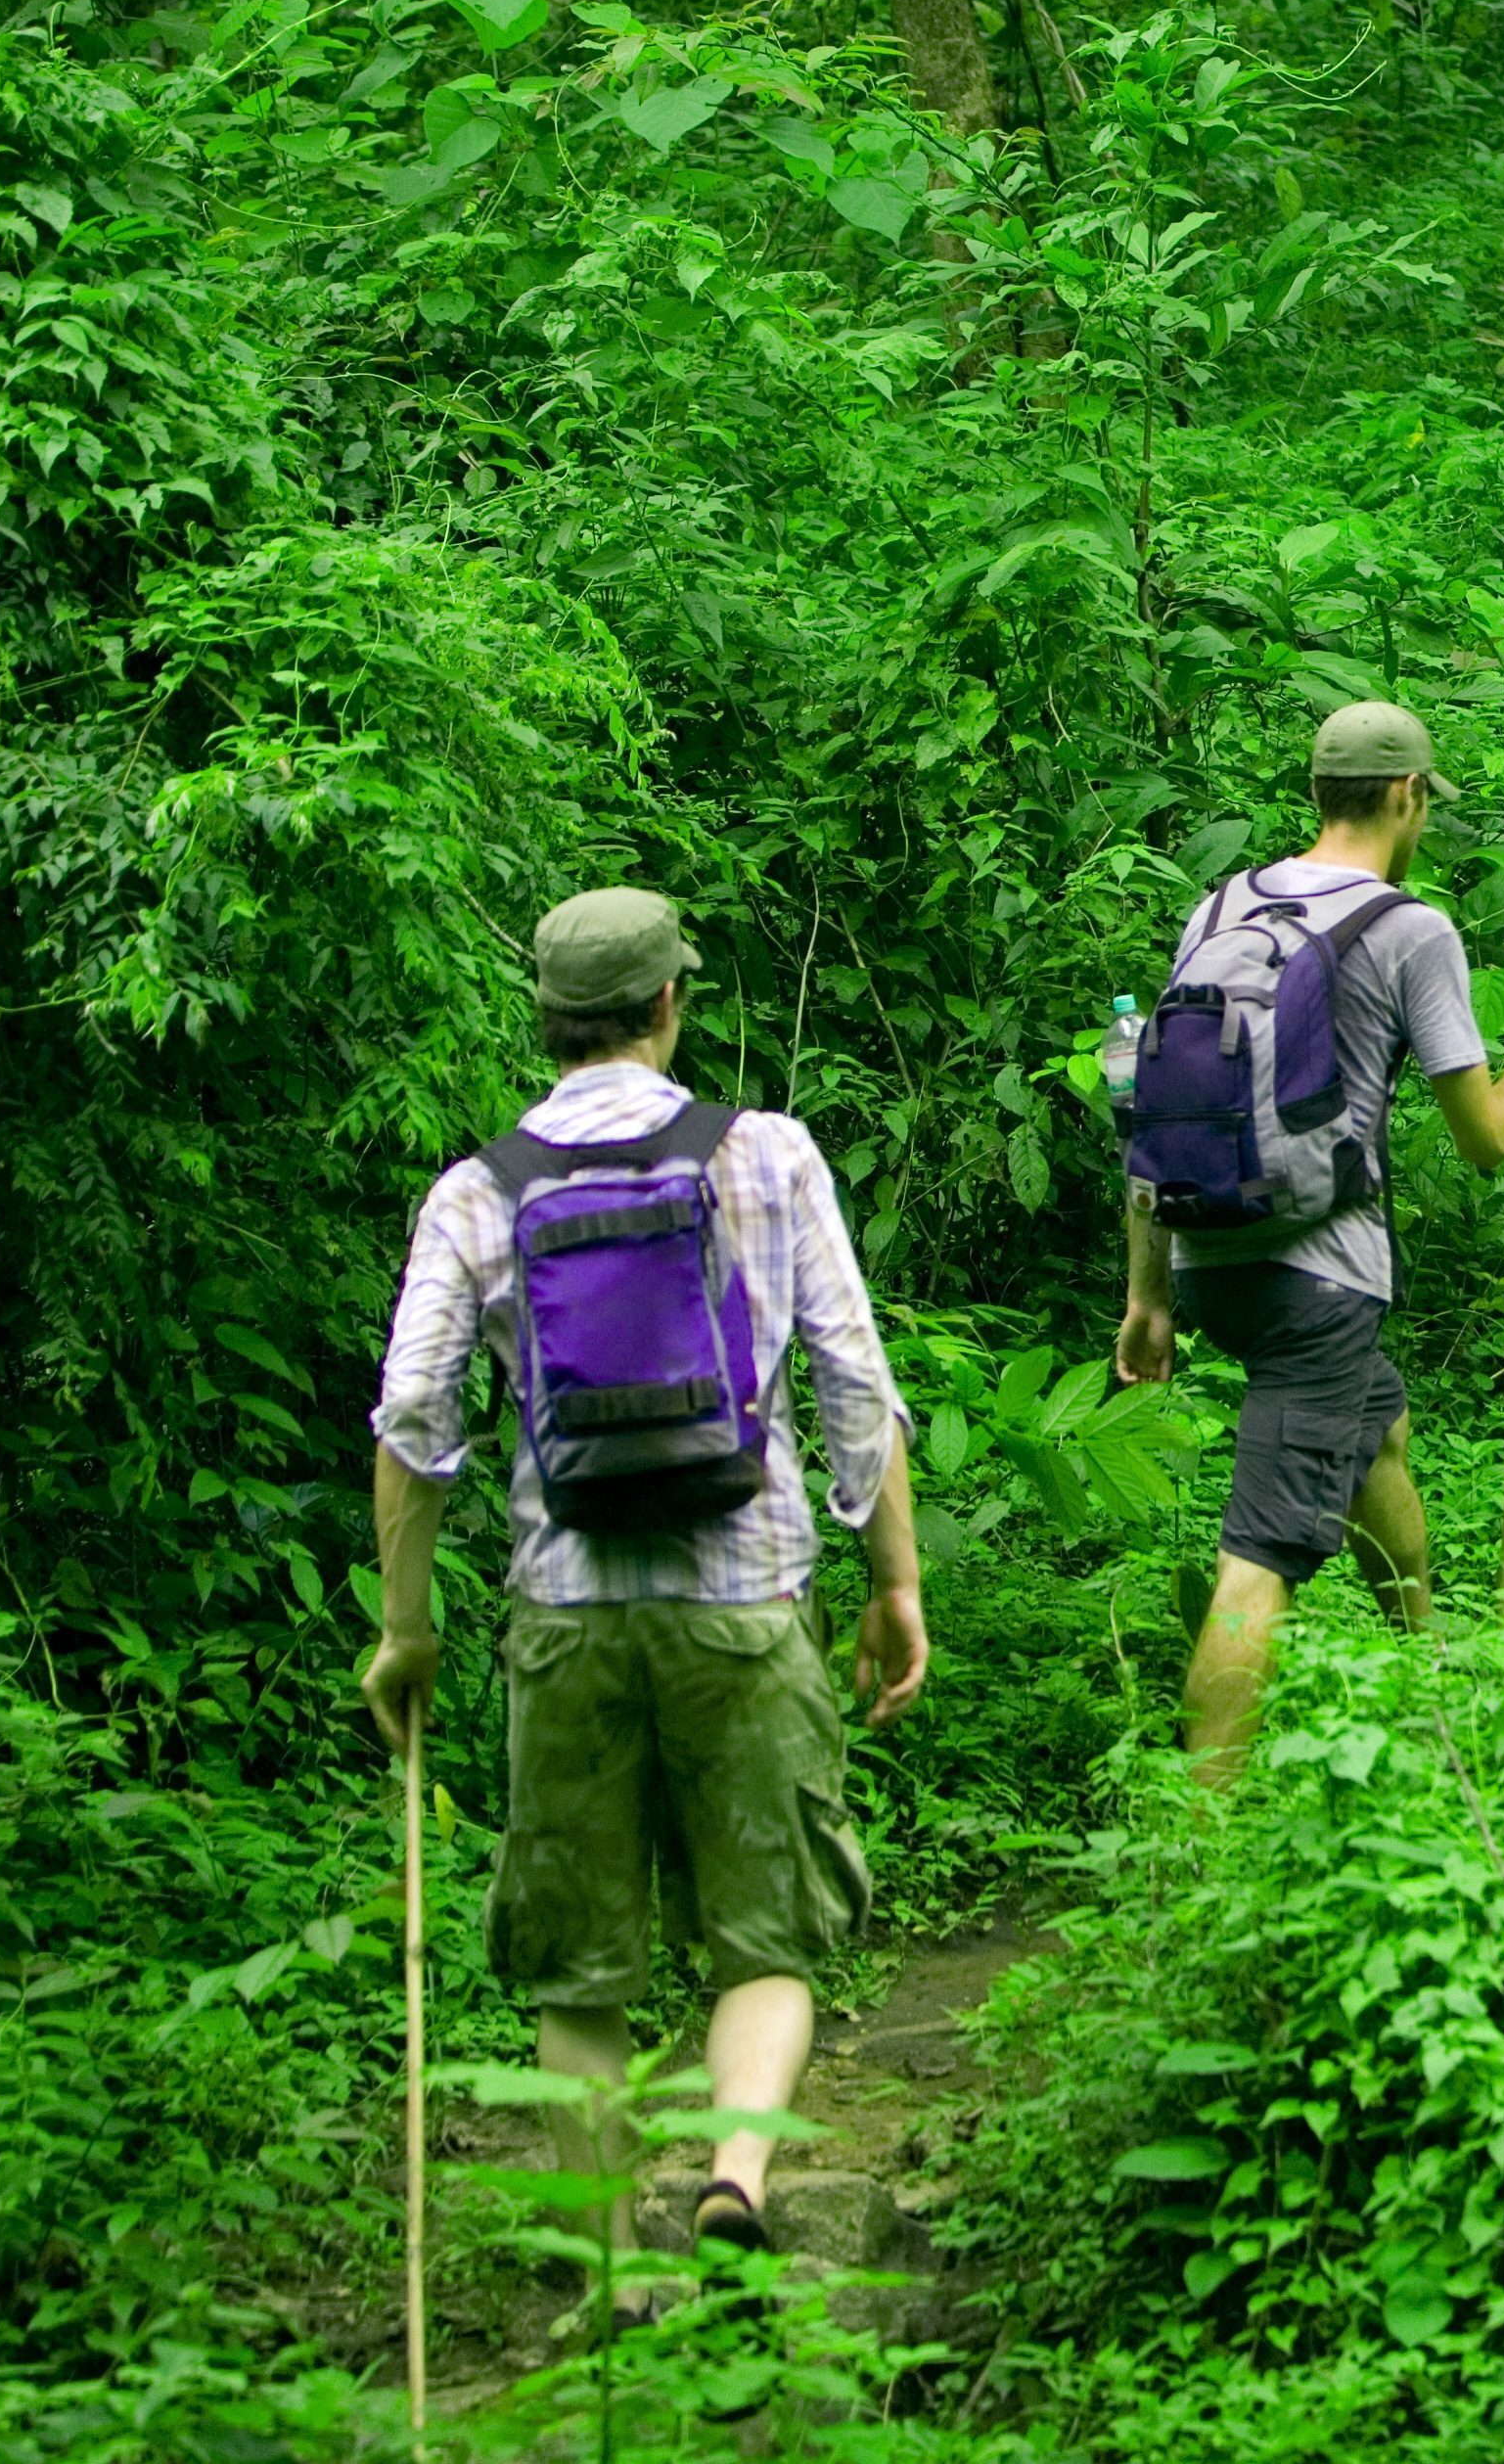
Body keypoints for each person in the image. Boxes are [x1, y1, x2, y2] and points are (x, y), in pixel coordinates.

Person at [363, 886, 929, 2268]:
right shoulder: (769, 1155)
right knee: (770, 1933)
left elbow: (413, 1424)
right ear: (671, 1005)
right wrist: (893, 1579)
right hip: (745, 1598)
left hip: (564, 1615)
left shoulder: (477, 1192)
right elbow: (855, 1380)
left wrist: (406, 1629)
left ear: (547, 1022)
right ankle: (737, 2171)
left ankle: (613, 2271)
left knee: (578, 1967)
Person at [1110, 702, 1504, 1784]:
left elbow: (1156, 1103)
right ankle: (1200, 1840)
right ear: (1408, 795)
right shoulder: (1407, 928)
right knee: (1259, 1560)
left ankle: (1426, 1687)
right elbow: (1485, 1140)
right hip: (1317, 1276)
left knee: (1378, 1433)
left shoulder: (1216, 906)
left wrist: (1151, 1294)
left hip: (1205, 1255)